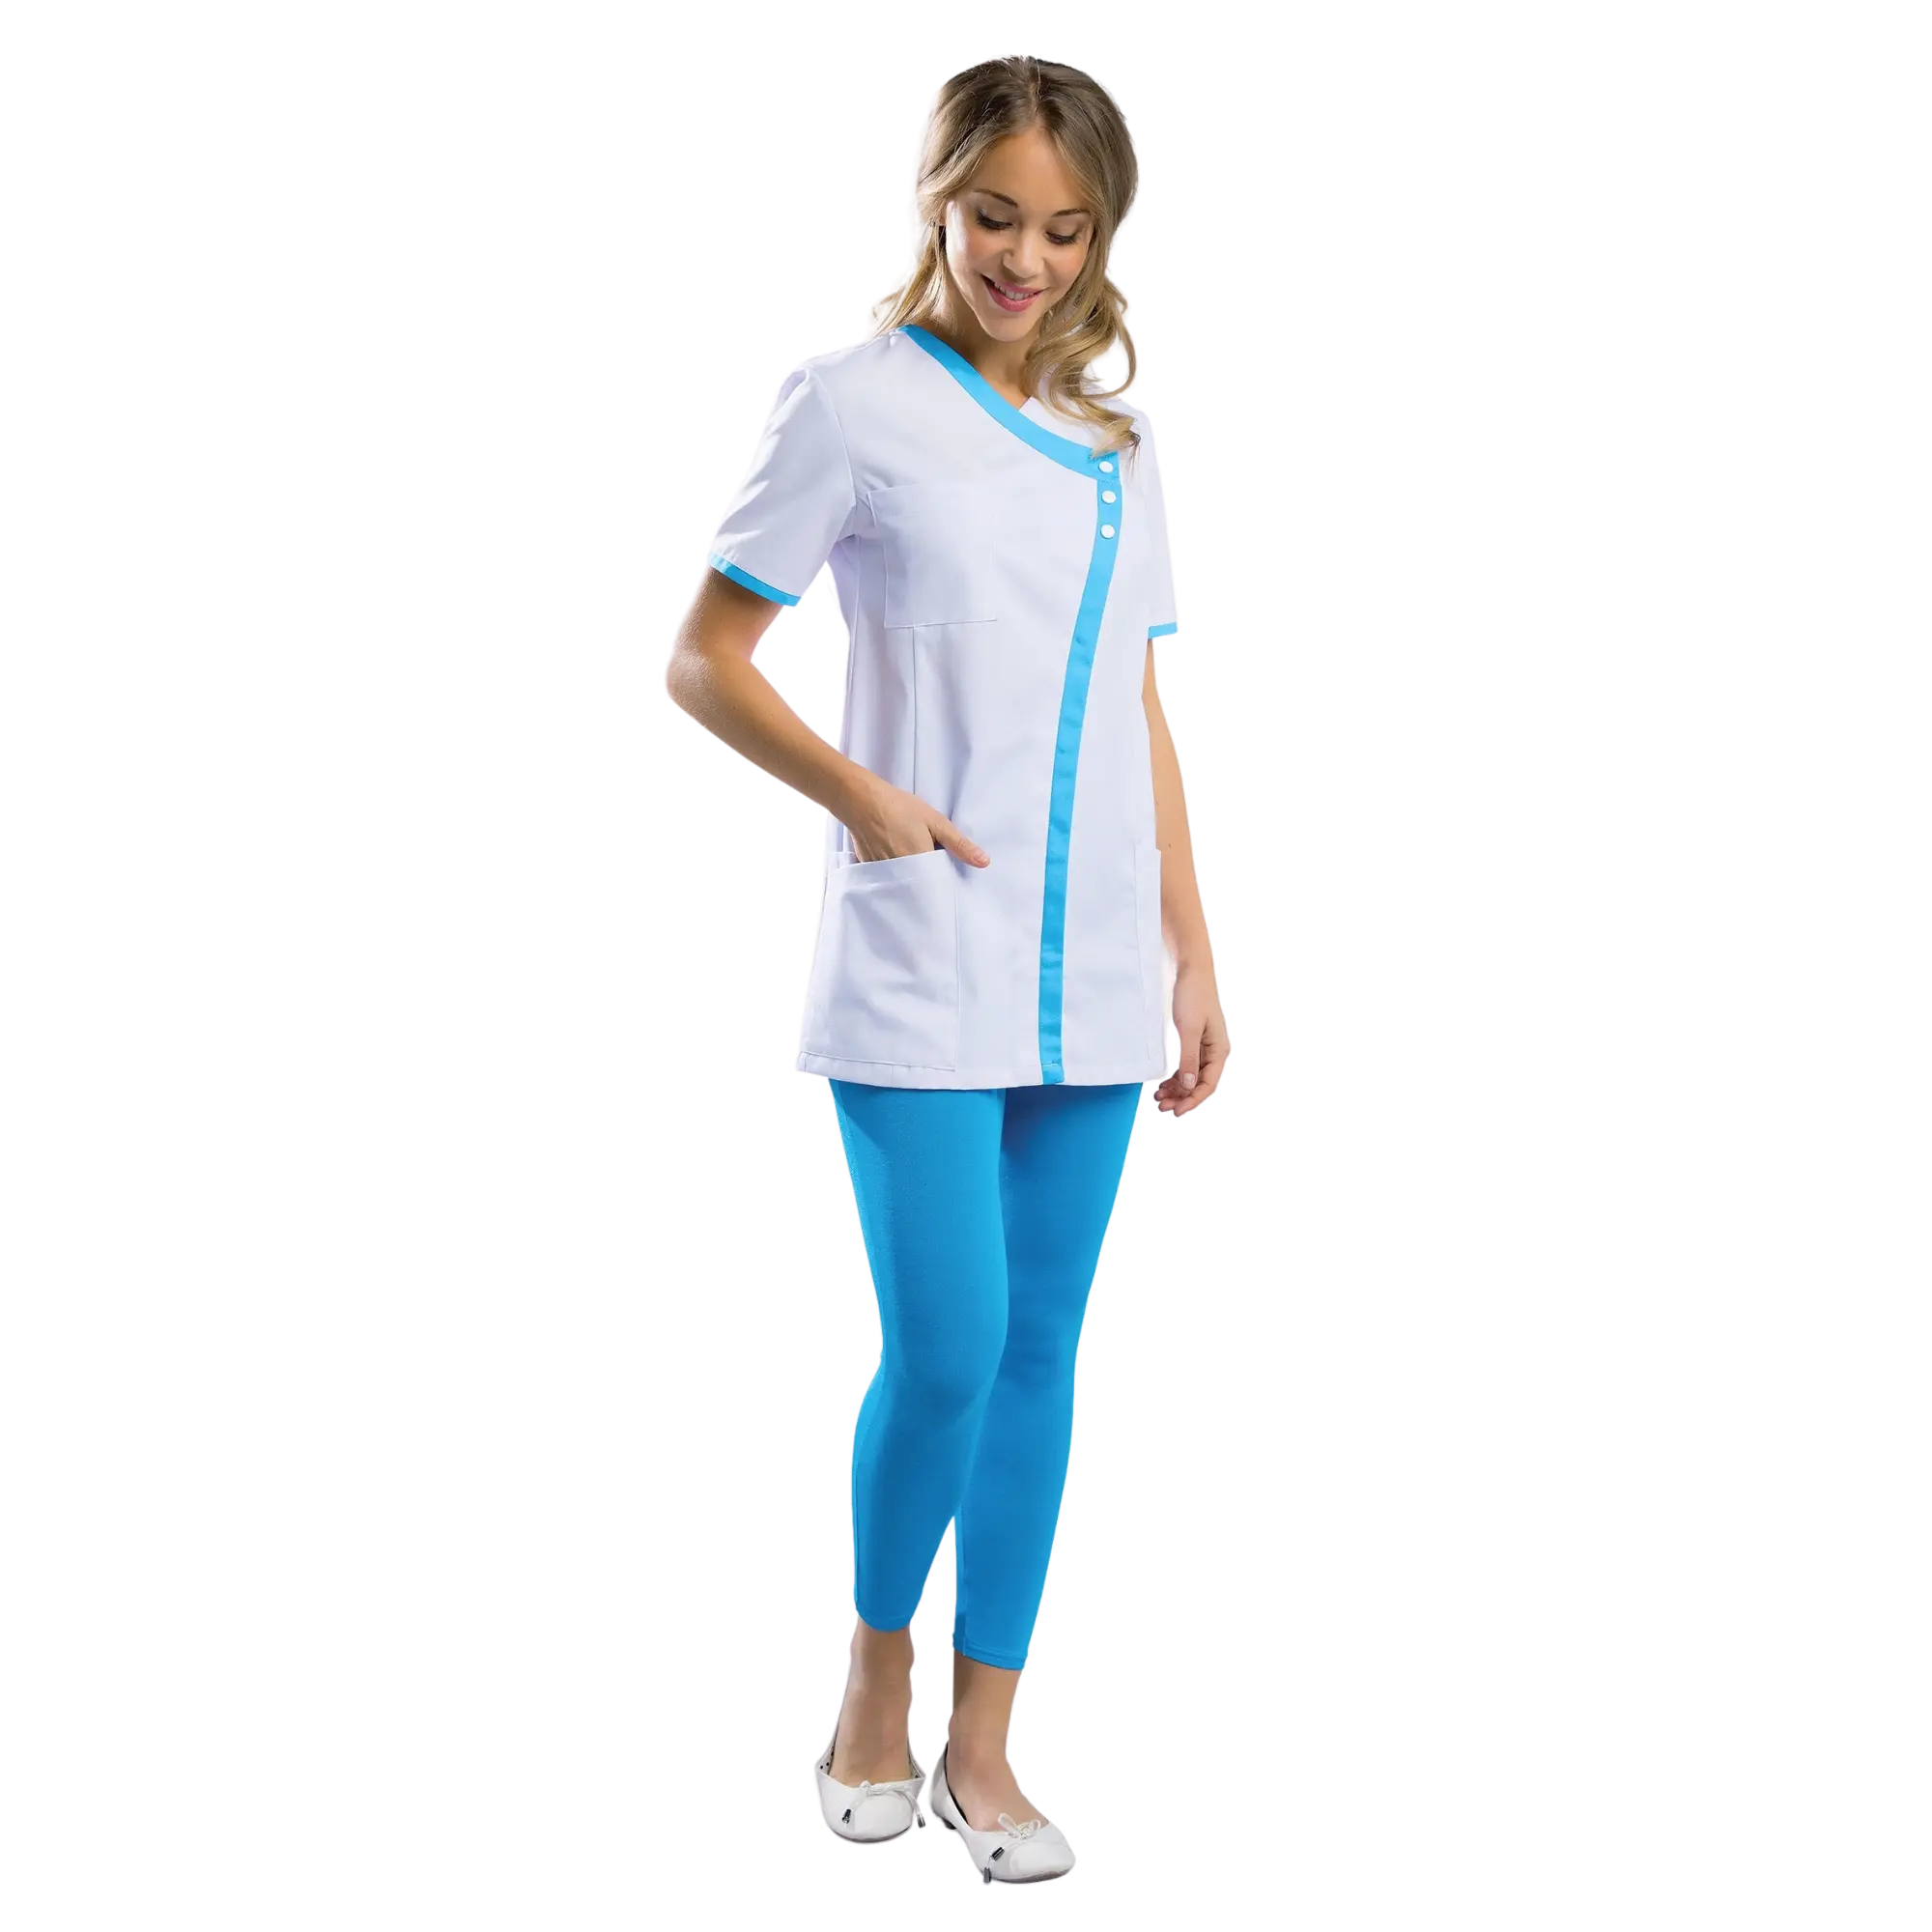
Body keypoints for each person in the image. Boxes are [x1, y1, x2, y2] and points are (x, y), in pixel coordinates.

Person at [663, 54, 1228, 1885]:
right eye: (995, 217)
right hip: (923, 956)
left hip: (1097, 966)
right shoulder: (846, 403)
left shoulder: (1122, 447)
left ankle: (987, 1748)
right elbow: (705, 661)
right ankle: (870, 1698)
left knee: (1045, 1352)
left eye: (1065, 231)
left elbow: (1143, 710)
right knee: (950, 1344)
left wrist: (1192, 954)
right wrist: (869, 802)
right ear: (935, 196)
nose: (1025, 260)